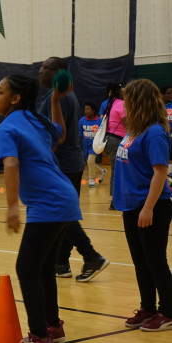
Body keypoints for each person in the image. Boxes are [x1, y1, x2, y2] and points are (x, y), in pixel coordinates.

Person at [0, 74, 81, 343]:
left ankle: (41, 341)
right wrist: (55, 100)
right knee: (42, 267)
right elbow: (61, 134)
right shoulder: (35, 120)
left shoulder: (7, 127)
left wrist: (11, 206)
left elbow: (12, 164)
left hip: (49, 203)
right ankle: (53, 326)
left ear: (15, 98)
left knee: (26, 268)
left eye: (0, 91)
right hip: (65, 197)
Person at [38, 57, 108, 282]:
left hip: (61, 163)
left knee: (61, 214)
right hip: (72, 162)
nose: (40, 71)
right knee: (64, 213)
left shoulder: (57, 98)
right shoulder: (66, 94)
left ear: (58, 72)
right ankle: (61, 262)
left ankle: (91, 256)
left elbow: (56, 136)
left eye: (45, 68)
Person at [114, 79, 172, 332]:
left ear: (139, 102)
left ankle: (168, 311)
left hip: (152, 206)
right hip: (131, 206)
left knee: (155, 261)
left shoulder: (155, 132)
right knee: (140, 261)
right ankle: (148, 308)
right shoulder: (133, 130)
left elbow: (160, 172)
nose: (123, 104)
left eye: (127, 100)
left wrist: (148, 208)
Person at [101, 82, 125, 210]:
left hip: (109, 140)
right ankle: (115, 201)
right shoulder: (121, 104)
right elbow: (128, 123)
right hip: (116, 141)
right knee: (118, 172)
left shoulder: (110, 104)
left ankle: (115, 200)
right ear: (118, 91)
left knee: (116, 171)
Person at [78, 101, 107, 188]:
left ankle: (91, 179)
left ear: (93, 110)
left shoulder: (99, 121)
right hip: (85, 144)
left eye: (88, 109)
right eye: (85, 109)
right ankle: (102, 171)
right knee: (89, 161)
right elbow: (80, 134)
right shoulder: (82, 120)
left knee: (90, 160)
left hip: (95, 145)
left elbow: (103, 133)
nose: (86, 111)